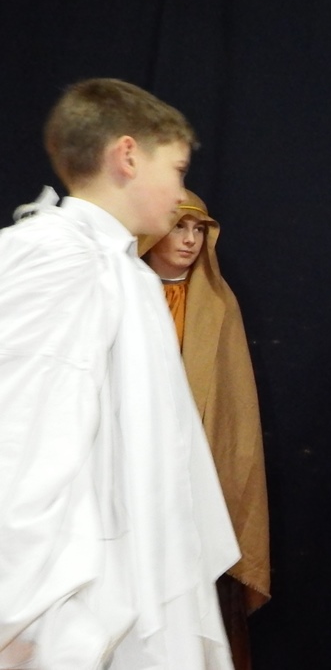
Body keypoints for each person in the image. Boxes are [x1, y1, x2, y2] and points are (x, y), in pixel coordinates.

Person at [0, 78, 239, 669]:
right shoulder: (56, 256)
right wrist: (15, 611)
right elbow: (21, 438)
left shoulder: (125, 270)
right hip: (68, 605)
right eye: (176, 170)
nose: (181, 193)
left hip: (136, 578)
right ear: (127, 156)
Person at [139, 191, 271, 670]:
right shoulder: (125, 294)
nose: (190, 240)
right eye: (180, 226)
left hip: (198, 484)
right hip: (136, 474)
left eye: (199, 230)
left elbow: (235, 413)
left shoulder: (217, 303)